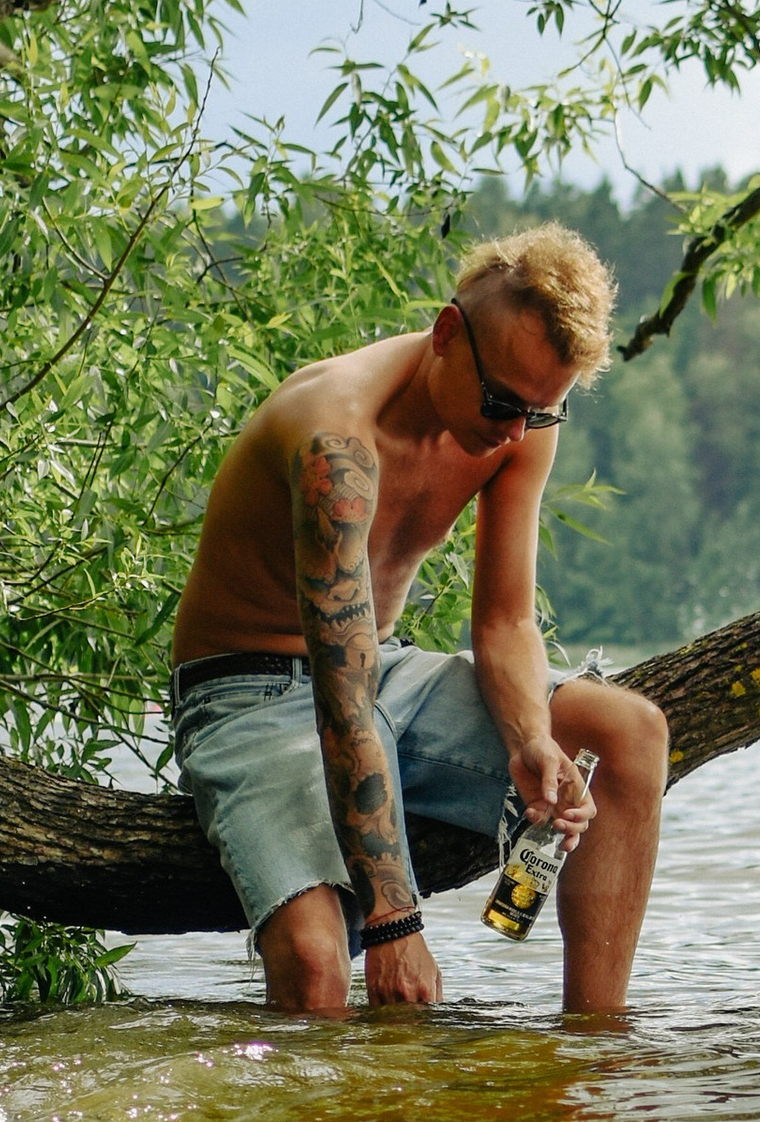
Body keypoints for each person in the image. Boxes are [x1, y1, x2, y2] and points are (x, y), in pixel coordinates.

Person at [168, 225, 668, 1014]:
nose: (514, 429)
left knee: (627, 732)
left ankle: (593, 1064)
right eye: (503, 402)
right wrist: (396, 919)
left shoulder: (522, 420)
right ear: (445, 334)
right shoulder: (336, 442)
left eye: (541, 412)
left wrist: (530, 738)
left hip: (386, 671)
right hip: (248, 696)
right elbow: (342, 698)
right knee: (316, 960)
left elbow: (504, 623)